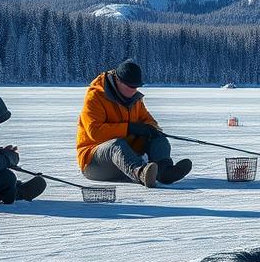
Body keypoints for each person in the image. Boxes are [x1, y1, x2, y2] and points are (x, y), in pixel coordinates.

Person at [76, 59, 191, 188]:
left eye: (136, 87)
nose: (133, 90)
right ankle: (141, 173)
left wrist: (151, 128)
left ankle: (164, 170)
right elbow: (95, 132)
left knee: (158, 137)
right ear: (118, 81)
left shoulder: (135, 99)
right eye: (130, 87)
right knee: (116, 145)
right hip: (94, 163)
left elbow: (148, 119)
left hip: (125, 158)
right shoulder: (95, 97)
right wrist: (129, 128)